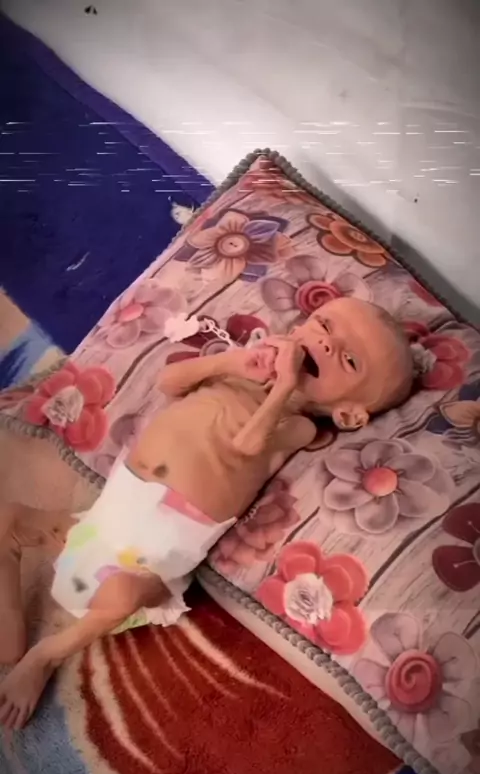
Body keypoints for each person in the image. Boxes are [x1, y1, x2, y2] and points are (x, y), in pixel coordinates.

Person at [0, 297, 414, 728]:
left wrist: (283, 389)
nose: (326, 343)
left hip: (148, 563)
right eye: (324, 324)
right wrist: (232, 363)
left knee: (122, 596)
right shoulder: (242, 372)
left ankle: (45, 656)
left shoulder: (299, 426)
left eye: (349, 359)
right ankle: (8, 625)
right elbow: (169, 382)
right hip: (102, 521)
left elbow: (247, 446)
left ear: (348, 414)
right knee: (7, 518)